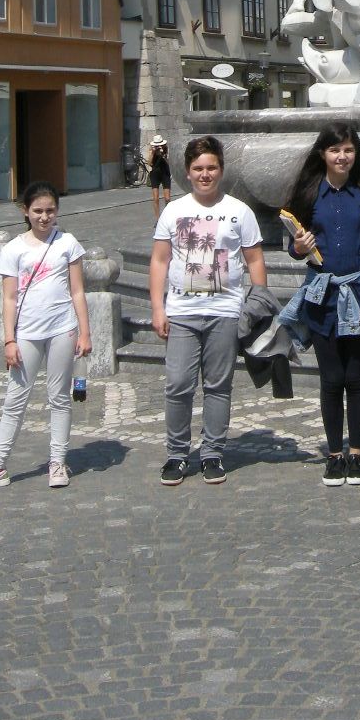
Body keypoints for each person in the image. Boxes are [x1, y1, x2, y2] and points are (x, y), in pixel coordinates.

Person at [149, 135, 267, 486]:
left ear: (221, 170)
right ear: (188, 172)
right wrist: (158, 308)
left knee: (218, 385)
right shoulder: (174, 211)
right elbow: (159, 260)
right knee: (178, 384)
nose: (205, 174)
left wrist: (257, 305)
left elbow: (254, 260)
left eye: (211, 167)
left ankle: (213, 452)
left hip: (225, 310)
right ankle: (177, 454)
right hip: (182, 311)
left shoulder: (239, 211)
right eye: (198, 168)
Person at [0, 180, 92, 492]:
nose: (45, 217)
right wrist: (9, 340)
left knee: (59, 397)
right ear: (25, 211)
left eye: (50, 210)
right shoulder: (13, 249)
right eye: (38, 211)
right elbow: (8, 298)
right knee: (15, 399)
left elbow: (77, 290)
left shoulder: (68, 243)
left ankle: (57, 462)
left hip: (62, 328)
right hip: (27, 333)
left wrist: (85, 333)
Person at [281, 122, 360, 487]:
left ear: (356, 153)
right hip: (322, 297)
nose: (342, 156)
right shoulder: (310, 195)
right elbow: (295, 245)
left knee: (356, 377)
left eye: (348, 149)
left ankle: (356, 453)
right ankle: (333, 455)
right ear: (322, 154)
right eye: (334, 150)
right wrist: (297, 248)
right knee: (331, 379)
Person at [146, 134, 172, 219]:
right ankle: (158, 219)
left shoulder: (166, 149)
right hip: (155, 174)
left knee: (167, 198)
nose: (158, 147)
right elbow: (149, 163)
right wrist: (153, 153)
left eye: (160, 145)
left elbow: (169, 163)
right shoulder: (151, 150)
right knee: (155, 198)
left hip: (165, 173)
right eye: (156, 145)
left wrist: (163, 155)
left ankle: (167, 217)